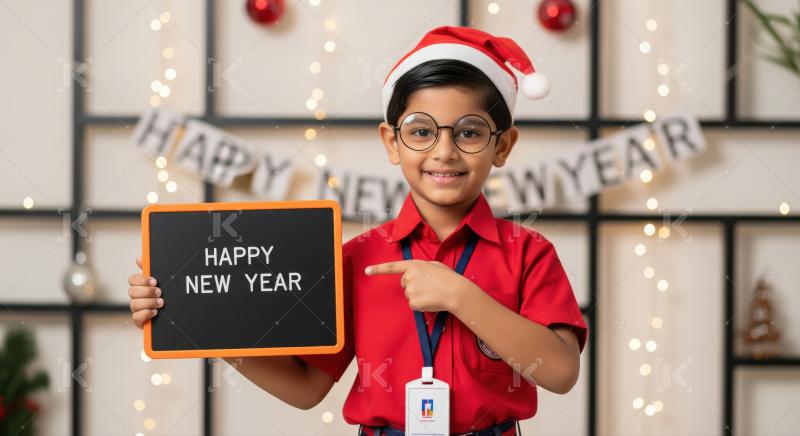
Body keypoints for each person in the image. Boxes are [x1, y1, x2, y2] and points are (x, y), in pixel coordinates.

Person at [127, 25, 587, 435]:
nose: (444, 151)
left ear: (503, 145)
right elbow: (306, 389)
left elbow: (561, 372)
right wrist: (208, 325)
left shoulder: (529, 252)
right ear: (392, 142)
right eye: (421, 131)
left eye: (469, 132)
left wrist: (460, 296)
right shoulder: (356, 258)